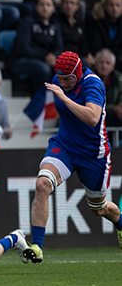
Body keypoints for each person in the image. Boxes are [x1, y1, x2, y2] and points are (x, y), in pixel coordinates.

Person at [22, 51, 122, 263]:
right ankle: (37, 247)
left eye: (68, 79)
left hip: (93, 154)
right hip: (65, 146)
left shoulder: (92, 84)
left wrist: (64, 98)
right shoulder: (58, 81)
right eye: (60, 78)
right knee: (42, 185)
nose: (64, 82)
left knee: (99, 209)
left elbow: (93, 118)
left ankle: (120, 223)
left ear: (78, 73)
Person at [10, 0, 63, 96]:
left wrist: (54, 57)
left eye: (48, 5)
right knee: (44, 69)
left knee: (64, 69)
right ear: (36, 7)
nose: (45, 8)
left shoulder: (55, 25)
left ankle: (60, 106)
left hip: (45, 59)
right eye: (42, 5)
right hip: (21, 60)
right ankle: (37, 103)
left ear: (53, 8)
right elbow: (23, 48)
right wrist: (45, 57)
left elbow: (59, 47)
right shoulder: (26, 22)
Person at [55, 0, 94, 67]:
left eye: (72, 3)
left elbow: (83, 43)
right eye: (66, 2)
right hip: (62, 56)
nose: (69, 6)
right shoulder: (55, 21)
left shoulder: (79, 23)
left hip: (77, 56)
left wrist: (88, 55)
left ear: (78, 6)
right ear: (61, 4)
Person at [87, 0, 122, 70]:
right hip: (99, 59)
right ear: (105, 6)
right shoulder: (96, 21)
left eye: (118, 5)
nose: (115, 9)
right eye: (111, 5)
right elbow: (95, 46)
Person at [94, 48, 122, 142]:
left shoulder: (119, 79)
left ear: (113, 66)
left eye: (107, 63)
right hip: (93, 117)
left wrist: (118, 108)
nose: (104, 66)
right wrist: (113, 108)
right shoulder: (88, 79)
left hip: (113, 117)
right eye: (101, 62)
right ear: (96, 64)